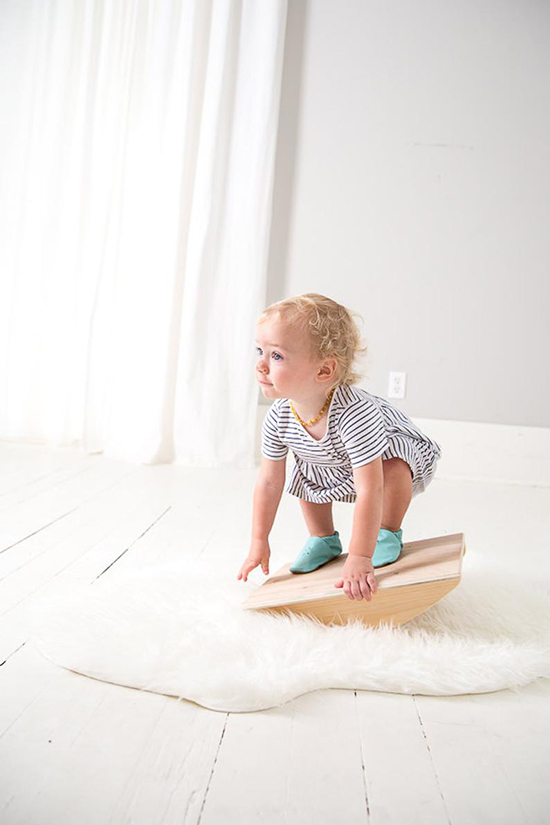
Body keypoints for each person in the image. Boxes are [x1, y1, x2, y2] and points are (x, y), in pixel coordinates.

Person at [236, 293, 442, 603]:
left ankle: (388, 531)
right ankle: (323, 538)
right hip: (331, 461)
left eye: (276, 356)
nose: (261, 365)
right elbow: (269, 481)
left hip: (387, 456)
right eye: (260, 351)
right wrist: (258, 540)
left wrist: (360, 556)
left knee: (393, 471)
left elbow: (370, 489)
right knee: (306, 471)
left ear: (324, 371)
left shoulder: (355, 415)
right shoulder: (278, 417)